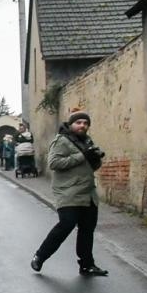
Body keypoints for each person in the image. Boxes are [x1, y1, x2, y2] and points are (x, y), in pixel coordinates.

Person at [31, 110, 108, 276]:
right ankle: (40, 256)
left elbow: (90, 167)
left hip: (88, 194)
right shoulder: (62, 140)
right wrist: (82, 156)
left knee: (87, 230)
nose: (83, 125)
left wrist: (94, 158)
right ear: (71, 124)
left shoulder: (87, 141)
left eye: (86, 123)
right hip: (68, 193)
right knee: (66, 225)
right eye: (79, 122)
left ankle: (87, 265)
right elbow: (54, 163)